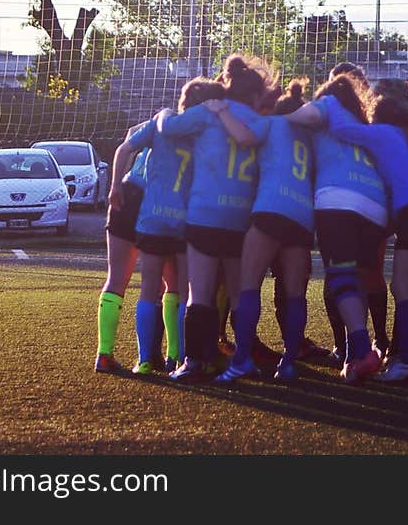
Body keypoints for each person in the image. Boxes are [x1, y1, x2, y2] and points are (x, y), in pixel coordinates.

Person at [296, 86, 408, 382]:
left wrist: (328, 102)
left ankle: (407, 359)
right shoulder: (406, 139)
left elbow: (342, 130)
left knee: (402, 288)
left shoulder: (382, 133)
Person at [158, 52, 280, 383]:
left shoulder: (207, 113)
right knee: (241, 293)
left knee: (200, 293)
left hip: (204, 214)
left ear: (225, 85)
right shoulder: (260, 121)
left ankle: (196, 361)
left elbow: (168, 127)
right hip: (240, 218)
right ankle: (242, 359)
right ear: (255, 95)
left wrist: (163, 113)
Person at [108, 76, 225, 375]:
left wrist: (115, 188)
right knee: (184, 291)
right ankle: (180, 357)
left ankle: (146, 360)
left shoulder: (163, 122)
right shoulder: (206, 134)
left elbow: (124, 148)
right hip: (185, 220)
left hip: (153, 218)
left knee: (149, 289)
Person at [286, 72, 389, 384]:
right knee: (357, 279)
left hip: (338, 200)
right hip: (375, 206)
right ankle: (356, 357)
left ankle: (362, 349)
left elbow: (296, 118)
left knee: (341, 277)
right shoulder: (362, 120)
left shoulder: (328, 105)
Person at [212, 77, 315, 385]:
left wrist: (221, 112)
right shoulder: (310, 138)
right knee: (296, 293)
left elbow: (244, 138)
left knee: (248, 286)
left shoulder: (271, 125)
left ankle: (242, 359)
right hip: (302, 215)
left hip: (272, 208)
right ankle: (288, 363)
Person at [94, 124, 153, 375]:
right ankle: (159, 358)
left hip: (127, 191)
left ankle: (104, 354)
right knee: (163, 285)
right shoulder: (194, 126)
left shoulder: (160, 121)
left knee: (116, 280)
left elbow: (129, 134)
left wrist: (115, 185)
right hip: (157, 202)